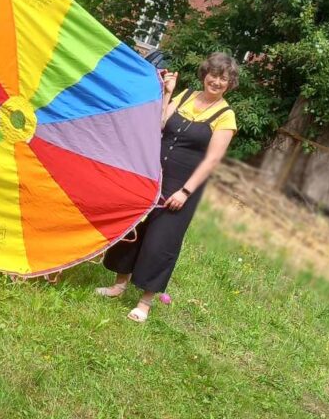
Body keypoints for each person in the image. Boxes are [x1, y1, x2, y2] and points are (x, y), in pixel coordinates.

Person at [95, 52, 238, 322]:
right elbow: (158, 126)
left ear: (230, 84)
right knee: (134, 228)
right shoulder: (184, 96)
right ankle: (118, 285)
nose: (217, 82)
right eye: (214, 75)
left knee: (162, 241)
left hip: (183, 185)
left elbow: (212, 160)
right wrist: (167, 93)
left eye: (224, 79)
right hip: (153, 174)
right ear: (205, 73)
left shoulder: (225, 116)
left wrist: (185, 192)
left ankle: (144, 303)